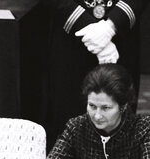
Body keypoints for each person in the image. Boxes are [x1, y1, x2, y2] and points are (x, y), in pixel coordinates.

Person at [37, 0, 149, 148]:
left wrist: (111, 25)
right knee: (67, 126)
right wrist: (87, 26)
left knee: (121, 127)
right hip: (70, 40)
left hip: (121, 36)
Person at [39, 63, 150, 159]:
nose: (97, 115)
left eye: (105, 108)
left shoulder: (143, 128)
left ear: (123, 106)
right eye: (92, 106)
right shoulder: (77, 126)